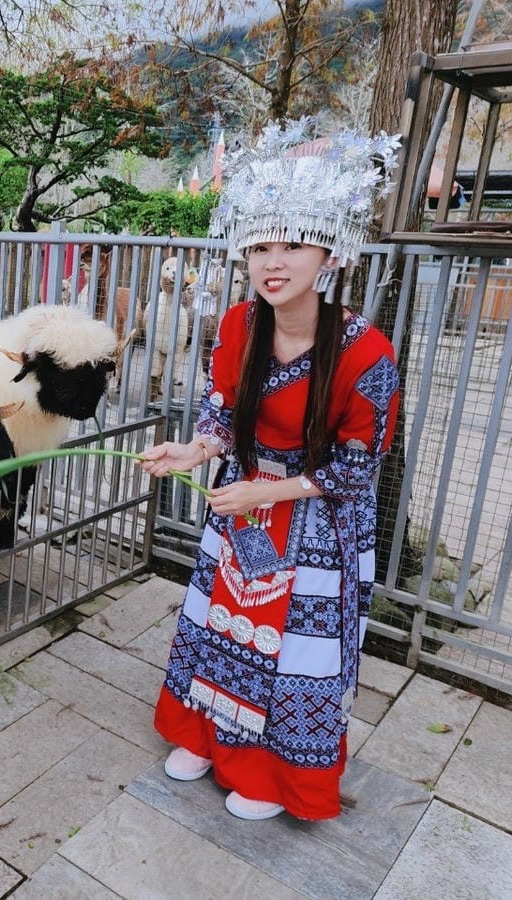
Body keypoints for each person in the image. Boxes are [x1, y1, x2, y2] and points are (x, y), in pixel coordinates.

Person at [139, 119, 402, 821]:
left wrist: (269, 487)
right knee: (218, 624)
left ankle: (269, 775)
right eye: (260, 246)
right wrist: (194, 451)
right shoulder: (236, 326)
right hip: (244, 499)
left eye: (292, 244)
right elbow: (221, 411)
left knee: (291, 652)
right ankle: (205, 736)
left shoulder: (366, 352)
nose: (272, 261)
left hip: (313, 513)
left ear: (331, 255)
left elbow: (355, 468)